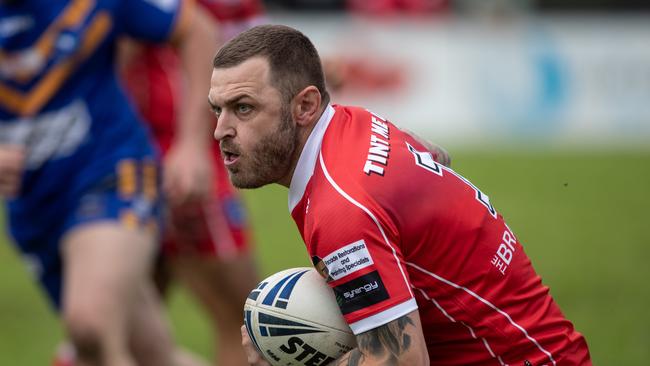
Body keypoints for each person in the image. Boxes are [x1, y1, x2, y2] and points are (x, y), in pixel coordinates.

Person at [207, 24, 592, 365]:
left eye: (243, 108)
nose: (220, 130)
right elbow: (435, 156)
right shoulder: (353, 124)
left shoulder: (342, 207)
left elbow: (402, 360)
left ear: (305, 106)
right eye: (217, 110)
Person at [0, 1, 216, 365]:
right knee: (150, 355)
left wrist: (193, 143)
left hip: (112, 170)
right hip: (31, 205)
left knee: (89, 324)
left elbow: (198, 31)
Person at [118, 1, 265, 365]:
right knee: (247, 322)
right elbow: (107, 63)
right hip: (176, 166)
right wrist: (185, 146)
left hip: (181, 159)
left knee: (124, 326)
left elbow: (257, 60)